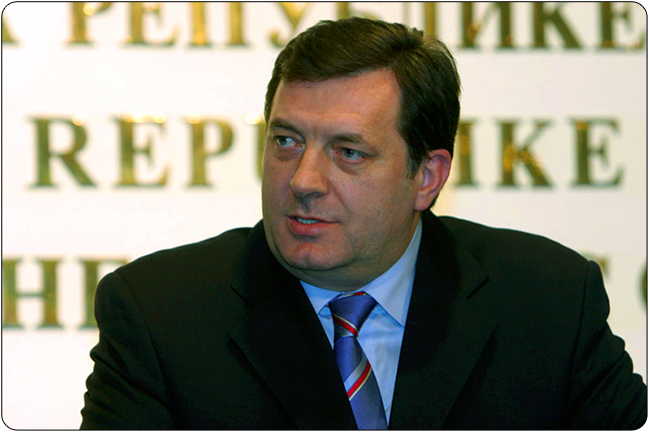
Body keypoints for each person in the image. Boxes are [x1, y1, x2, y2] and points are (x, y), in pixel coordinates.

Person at [80, 17, 646, 429]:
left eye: (348, 152)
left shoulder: (549, 301)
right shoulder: (159, 315)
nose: (303, 179)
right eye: (286, 141)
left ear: (427, 176)